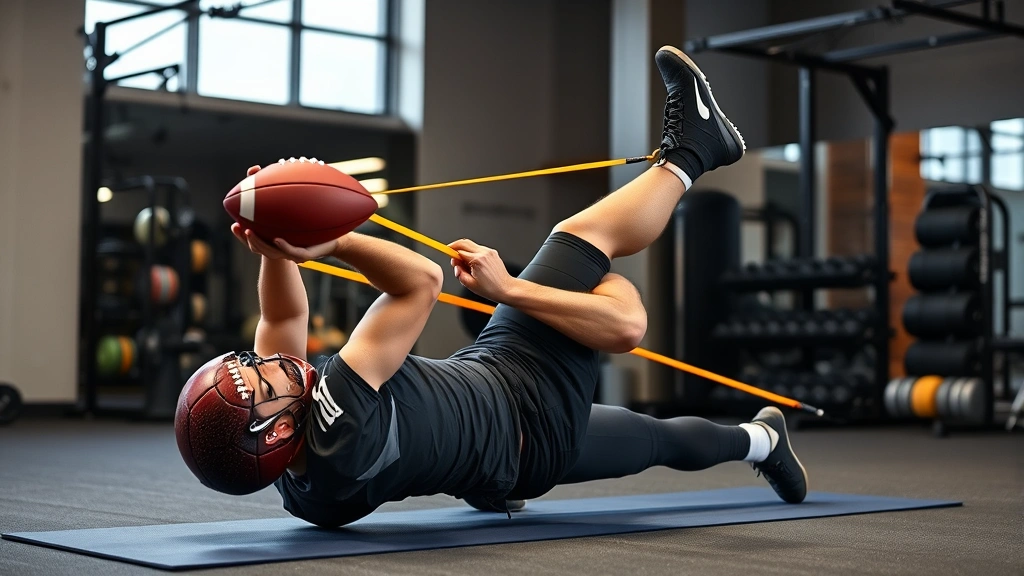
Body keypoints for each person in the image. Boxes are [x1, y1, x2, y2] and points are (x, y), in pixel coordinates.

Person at [176, 46, 807, 527]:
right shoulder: (338, 410)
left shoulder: (302, 489)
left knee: (655, 439)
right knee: (582, 238)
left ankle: (761, 441)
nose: (271, 368)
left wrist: (274, 242)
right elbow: (419, 283)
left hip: (513, 457)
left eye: (252, 368)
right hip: (521, 393)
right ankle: (698, 147)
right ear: (272, 434)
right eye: (263, 385)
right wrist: (332, 241)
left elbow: (281, 321)